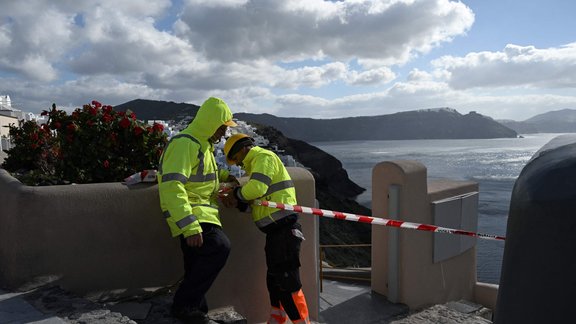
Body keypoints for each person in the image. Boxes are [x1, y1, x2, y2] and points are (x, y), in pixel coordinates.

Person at [158, 97, 237, 324]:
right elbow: (172, 185)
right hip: (193, 215)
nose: (223, 133)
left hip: (200, 213)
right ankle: (184, 305)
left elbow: (205, 176)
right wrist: (189, 225)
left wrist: (226, 178)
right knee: (219, 247)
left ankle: (195, 312)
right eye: (222, 127)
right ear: (211, 123)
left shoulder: (203, 146)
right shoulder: (185, 144)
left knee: (195, 265)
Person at [220, 133, 310, 324]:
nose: (236, 164)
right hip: (275, 232)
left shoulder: (263, 158)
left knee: (287, 282)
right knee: (274, 280)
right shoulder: (256, 166)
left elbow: (257, 189)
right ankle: (277, 319)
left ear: (243, 149)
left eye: (235, 159)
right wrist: (240, 204)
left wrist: (235, 194)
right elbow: (260, 203)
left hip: (285, 229)